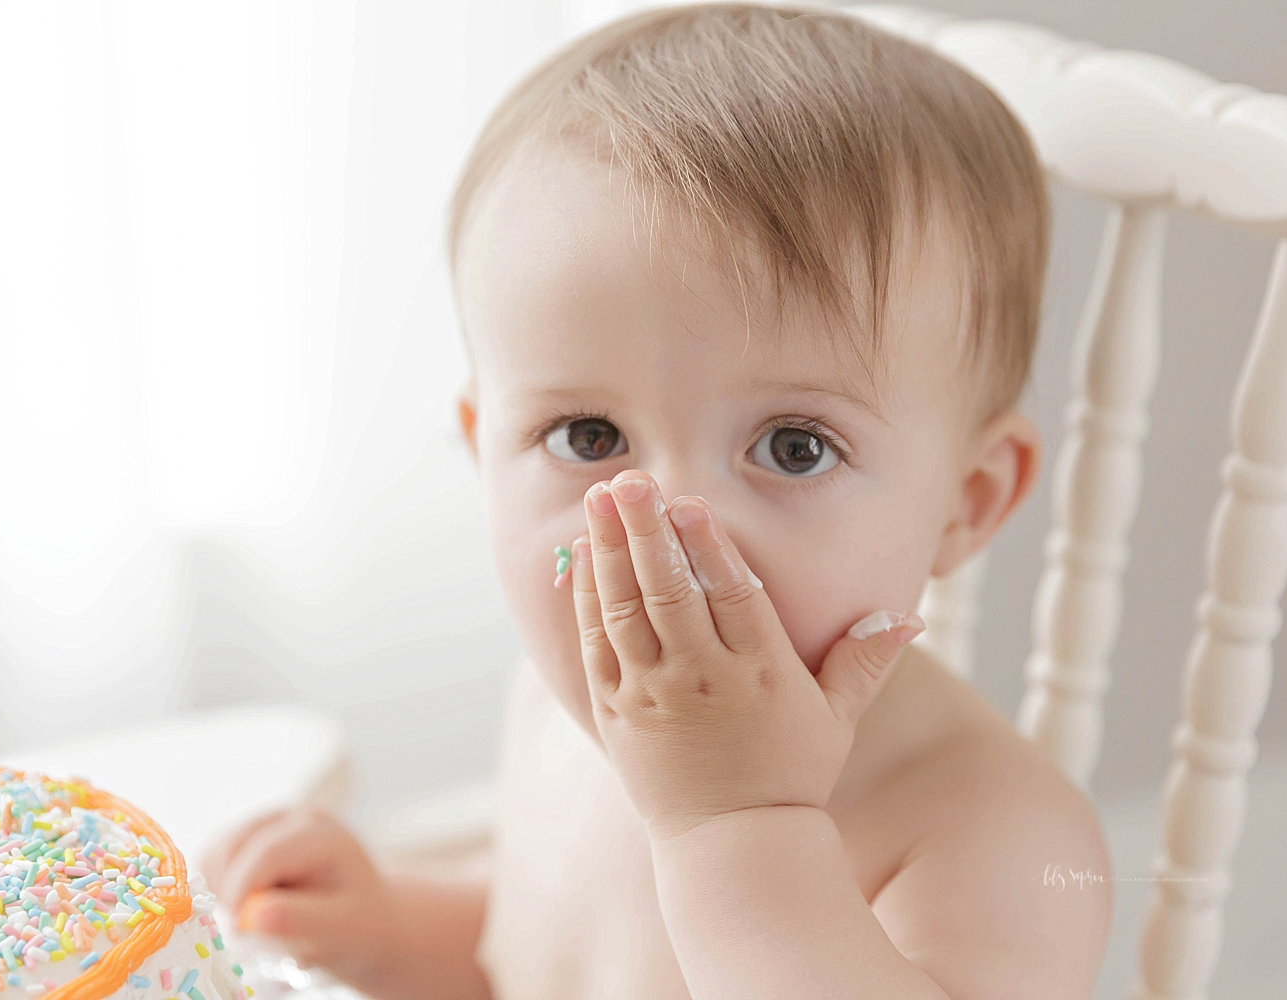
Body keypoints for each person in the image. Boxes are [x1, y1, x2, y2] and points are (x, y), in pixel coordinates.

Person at [201, 4, 1114, 998]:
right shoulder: (572, 708)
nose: (671, 537)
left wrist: (739, 827)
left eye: (793, 447)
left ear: (966, 504)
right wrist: (385, 927)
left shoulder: (995, 834)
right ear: (485, 454)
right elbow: (538, 957)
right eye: (588, 438)